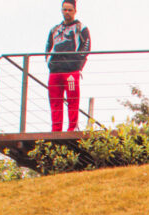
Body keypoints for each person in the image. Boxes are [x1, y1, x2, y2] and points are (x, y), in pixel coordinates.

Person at [45, 1, 89, 132]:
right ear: (61, 10)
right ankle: (56, 129)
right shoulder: (54, 29)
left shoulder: (81, 28)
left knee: (72, 100)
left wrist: (77, 64)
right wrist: (49, 63)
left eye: (70, 10)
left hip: (71, 72)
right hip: (55, 71)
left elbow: (86, 46)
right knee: (55, 101)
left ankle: (72, 127)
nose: (67, 12)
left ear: (75, 11)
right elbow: (48, 47)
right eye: (65, 10)